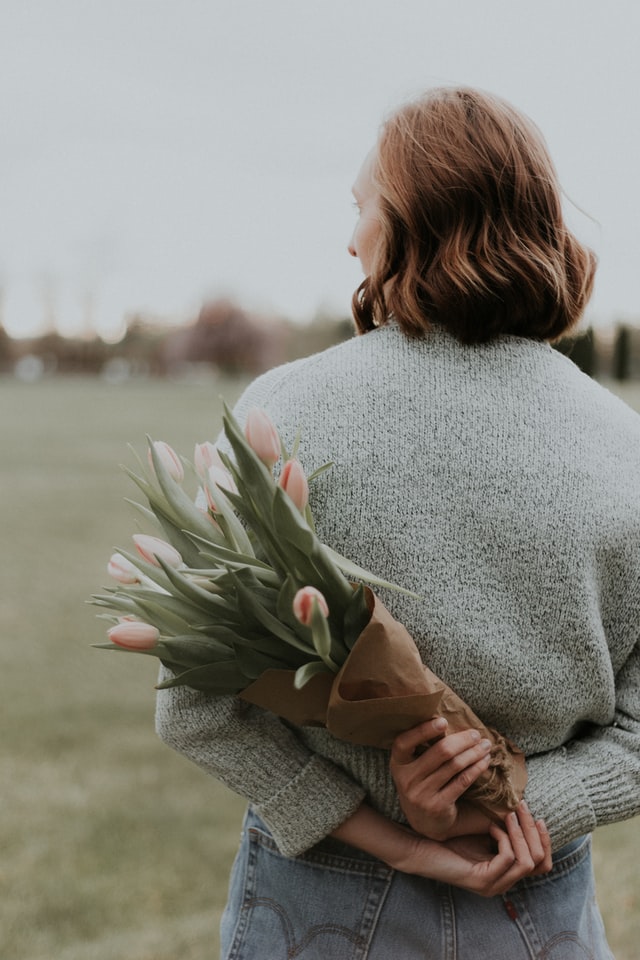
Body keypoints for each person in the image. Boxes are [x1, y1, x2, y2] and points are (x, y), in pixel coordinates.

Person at [155, 87, 640, 959]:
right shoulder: (629, 447)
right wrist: (520, 797)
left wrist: (406, 840)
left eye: (362, 206)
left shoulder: (284, 412)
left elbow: (192, 706)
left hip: (317, 909)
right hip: (539, 902)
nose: (351, 239)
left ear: (413, 216)